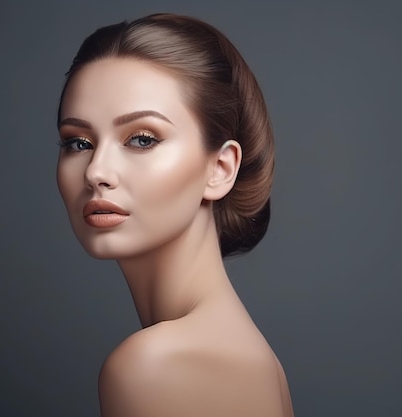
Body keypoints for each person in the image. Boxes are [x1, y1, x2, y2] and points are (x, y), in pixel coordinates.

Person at [55, 13, 294, 417]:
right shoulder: (250, 358)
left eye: (142, 139)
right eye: (78, 143)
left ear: (220, 169)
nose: (96, 171)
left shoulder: (158, 366)